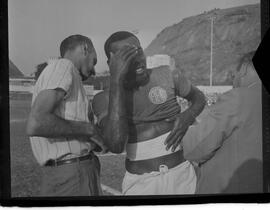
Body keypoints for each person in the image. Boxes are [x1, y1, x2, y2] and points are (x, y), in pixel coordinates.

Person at [92, 31, 206, 195]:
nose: (138, 59)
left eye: (139, 50)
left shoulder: (166, 74)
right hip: (141, 184)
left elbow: (198, 97)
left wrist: (187, 116)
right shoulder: (104, 98)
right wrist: (117, 79)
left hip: (183, 176)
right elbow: (115, 145)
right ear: (112, 63)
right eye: (127, 55)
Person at [26, 35, 106, 196]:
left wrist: (95, 141)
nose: (94, 70)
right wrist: (89, 130)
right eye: (94, 61)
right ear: (84, 48)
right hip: (72, 174)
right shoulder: (64, 66)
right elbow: (37, 122)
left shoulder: (68, 75)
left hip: (71, 172)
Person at [182, 51, 263, 193]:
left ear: (243, 69)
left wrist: (180, 125)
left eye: (234, 75)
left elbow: (196, 148)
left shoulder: (239, 97)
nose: (234, 81)